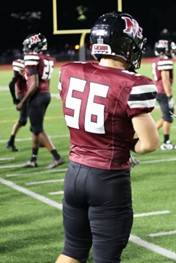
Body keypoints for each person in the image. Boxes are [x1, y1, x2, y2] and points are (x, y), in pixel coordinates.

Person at [54, 12, 160, 263]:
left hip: (74, 174)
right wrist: (126, 145)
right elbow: (150, 143)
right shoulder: (132, 84)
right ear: (126, 45)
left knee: (72, 251)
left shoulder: (69, 71)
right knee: (107, 258)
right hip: (108, 179)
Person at [17, 33, 64, 168]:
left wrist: (23, 101)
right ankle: (33, 159)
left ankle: (57, 157)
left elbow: (34, 84)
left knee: (37, 129)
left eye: (27, 46)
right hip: (45, 95)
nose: (25, 50)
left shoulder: (32, 58)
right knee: (35, 128)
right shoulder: (47, 58)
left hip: (37, 96)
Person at [152, 39, 176, 150]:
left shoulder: (157, 60)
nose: (173, 51)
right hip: (163, 92)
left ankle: (145, 134)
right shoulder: (164, 61)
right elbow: (165, 80)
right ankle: (166, 142)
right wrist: (170, 96)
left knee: (165, 116)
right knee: (168, 117)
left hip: (158, 91)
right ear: (165, 50)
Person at [6, 59, 28, 152]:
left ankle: (39, 138)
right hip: (23, 96)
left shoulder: (29, 63)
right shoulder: (19, 71)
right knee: (22, 121)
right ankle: (10, 142)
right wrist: (15, 99)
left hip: (29, 94)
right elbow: (11, 84)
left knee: (36, 119)